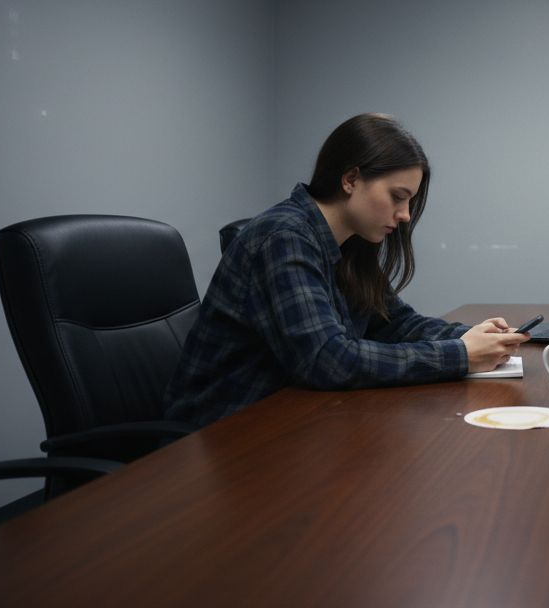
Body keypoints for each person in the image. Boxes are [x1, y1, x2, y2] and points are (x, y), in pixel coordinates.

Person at [164, 113, 525, 427]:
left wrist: (473, 337)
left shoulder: (350, 241)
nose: (405, 215)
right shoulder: (283, 237)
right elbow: (327, 360)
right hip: (219, 433)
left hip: (292, 419)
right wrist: (460, 355)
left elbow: (395, 323)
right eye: (398, 197)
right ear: (350, 179)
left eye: (409, 201)